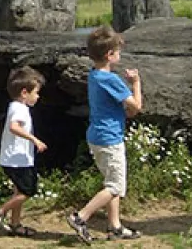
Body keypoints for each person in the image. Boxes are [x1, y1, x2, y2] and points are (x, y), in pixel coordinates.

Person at [67, 25, 143, 243]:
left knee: (112, 182)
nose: (119, 54)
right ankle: (80, 217)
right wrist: (136, 83)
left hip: (97, 136)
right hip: (110, 139)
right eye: (117, 51)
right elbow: (136, 107)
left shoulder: (94, 76)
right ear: (110, 55)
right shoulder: (111, 80)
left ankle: (115, 226)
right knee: (115, 186)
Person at [0, 66, 48, 237]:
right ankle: (0, 212)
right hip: (16, 159)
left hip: (18, 158)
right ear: (24, 92)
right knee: (29, 191)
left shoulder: (15, 106)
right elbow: (14, 127)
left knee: (19, 191)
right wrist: (34, 139)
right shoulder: (19, 108)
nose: (38, 96)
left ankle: (16, 225)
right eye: (36, 92)